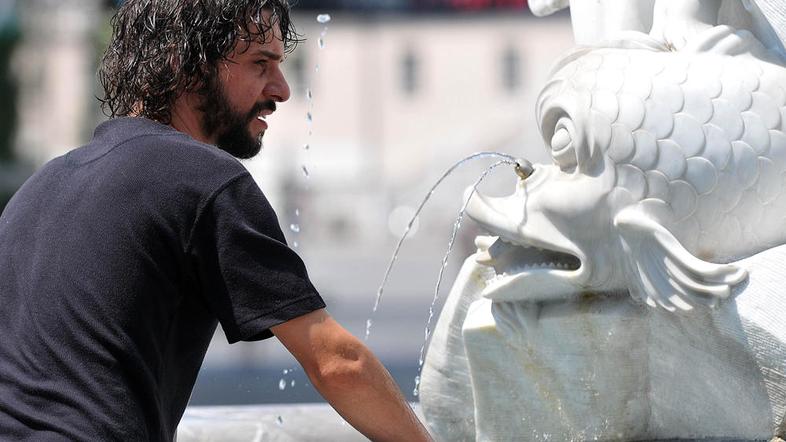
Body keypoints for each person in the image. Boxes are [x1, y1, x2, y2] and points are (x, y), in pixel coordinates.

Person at [0, 1, 432, 441]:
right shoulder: (202, 178)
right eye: (260, 64)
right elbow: (338, 363)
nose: (282, 90)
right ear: (184, 63)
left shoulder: (40, 187)